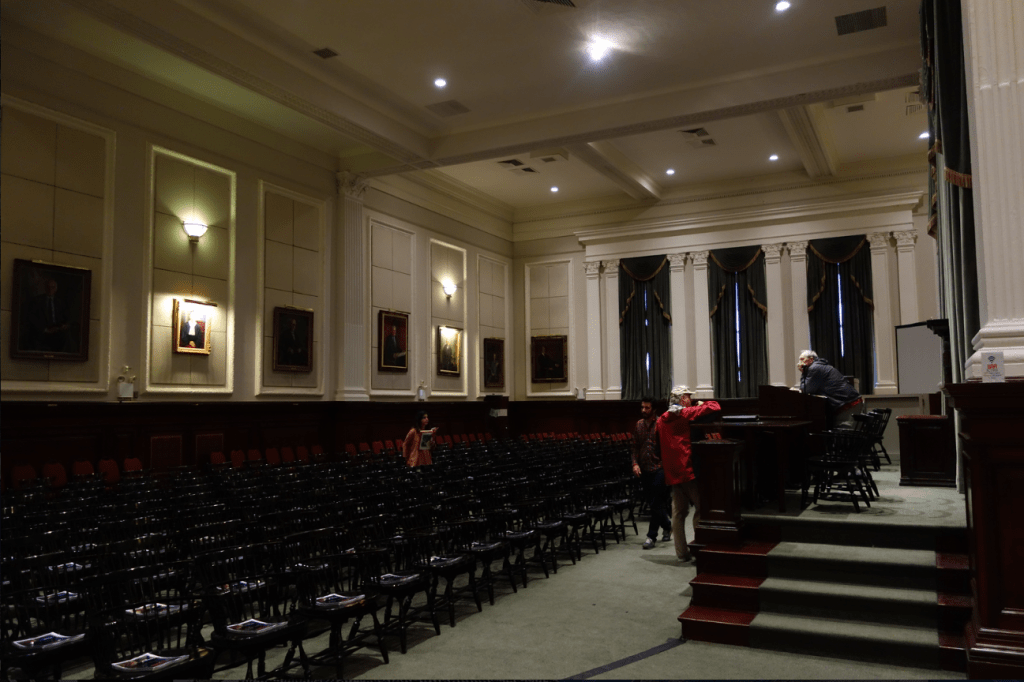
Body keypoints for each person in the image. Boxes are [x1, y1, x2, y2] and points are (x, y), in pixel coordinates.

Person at [657, 385, 721, 562]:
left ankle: (682, 553)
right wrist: (700, 404)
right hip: (686, 469)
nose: (691, 400)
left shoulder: (661, 419)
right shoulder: (684, 414)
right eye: (688, 397)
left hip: (671, 472)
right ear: (683, 399)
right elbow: (715, 406)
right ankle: (699, 548)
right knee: (701, 508)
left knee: (678, 512)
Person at [632, 395, 672, 549]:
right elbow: (635, 447)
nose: (643, 410)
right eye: (642, 407)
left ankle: (651, 536)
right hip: (644, 469)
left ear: (654, 409)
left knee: (655, 501)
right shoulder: (639, 425)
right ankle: (667, 525)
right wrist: (635, 464)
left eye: (647, 407)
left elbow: (667, 447)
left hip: (659, 468)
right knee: (654, 502)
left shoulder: (661, 423)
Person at [796, 350, 862, 425]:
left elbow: (806, 390)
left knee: (843, 430)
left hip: (847, 405)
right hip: (849, 402)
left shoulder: (814, 368)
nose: (800, 363)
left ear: (811, 359)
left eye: (802, 360)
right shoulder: (821, 366)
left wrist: (803, 373)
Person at [27, 278, 71, 352]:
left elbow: (66, 318)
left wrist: (64, 325)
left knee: (67, 339)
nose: (50, 289)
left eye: (52, 287)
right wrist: (46, 330)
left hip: (57, 330)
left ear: (56, 289)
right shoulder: (37, 300)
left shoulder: (60, 302)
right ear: (45, 288)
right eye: (48, 287)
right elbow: (32, 318)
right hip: (42, 331)